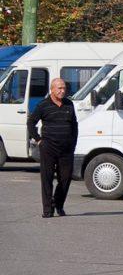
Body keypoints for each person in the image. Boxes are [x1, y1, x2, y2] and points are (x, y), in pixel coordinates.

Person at [27, 78, 78, 218]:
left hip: (66, 149)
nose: (62, 91)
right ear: (52, 89)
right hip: (48, 148)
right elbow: (31, 123)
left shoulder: (69, 104)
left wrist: (73, 143)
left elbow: (74, 125)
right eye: (59, 88)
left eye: (64, 88)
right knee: (47, 179)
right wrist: (38, 140)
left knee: (65, 179)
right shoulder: (43, 105)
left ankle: (58, 204)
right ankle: (47, 209)